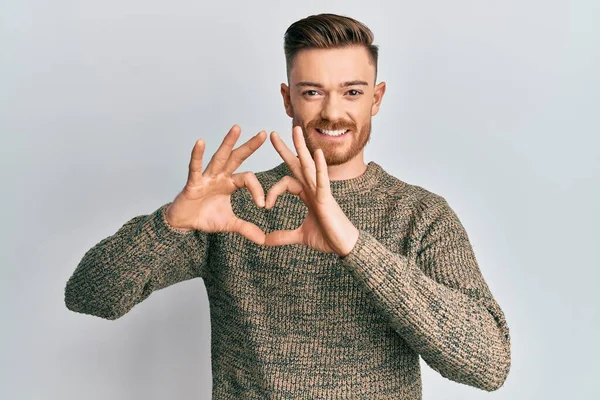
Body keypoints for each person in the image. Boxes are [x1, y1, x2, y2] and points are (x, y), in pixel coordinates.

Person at [64, 13, 511, 399]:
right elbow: (88, 296)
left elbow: (487, 364)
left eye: (352, 92)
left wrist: (355, 245)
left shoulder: (420, 215)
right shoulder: (235, 203)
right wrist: (170, 223)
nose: (333, 111)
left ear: (376, 98)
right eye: (313, 91)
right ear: (287, 98)